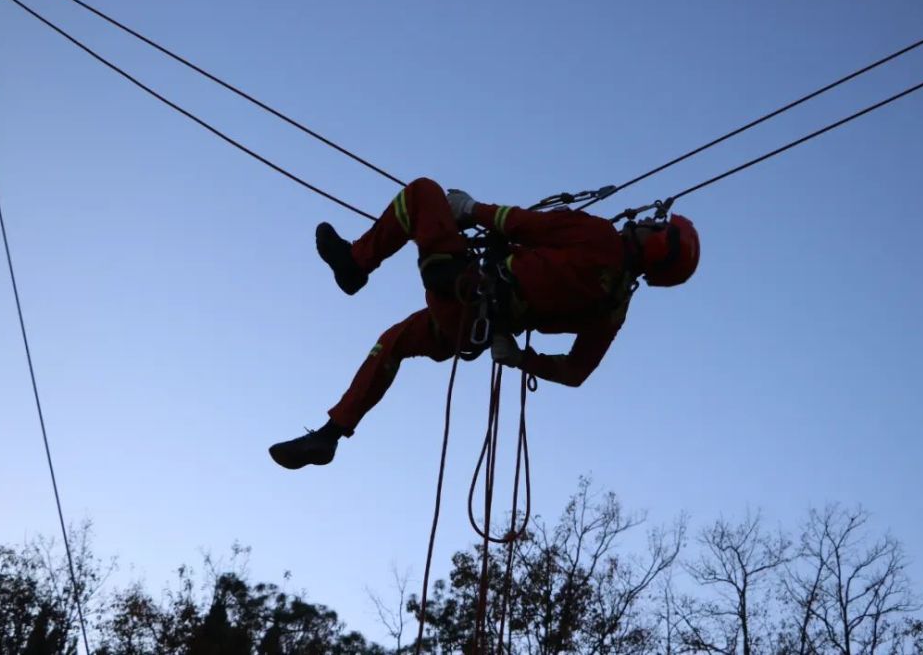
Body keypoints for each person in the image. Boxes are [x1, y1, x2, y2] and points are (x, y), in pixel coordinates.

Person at [268, 177, 699, 469]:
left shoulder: (600, 237)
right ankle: (330, 433)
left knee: (421, 194)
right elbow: (575, 372)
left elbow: (524, 223)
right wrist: (520, 359)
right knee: (393, 341)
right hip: (474, 329)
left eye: (657, 226)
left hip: (464, 290)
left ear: (660, 244)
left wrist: (470, 209)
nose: (646, 221)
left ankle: (355, 263)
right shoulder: (615, 307)